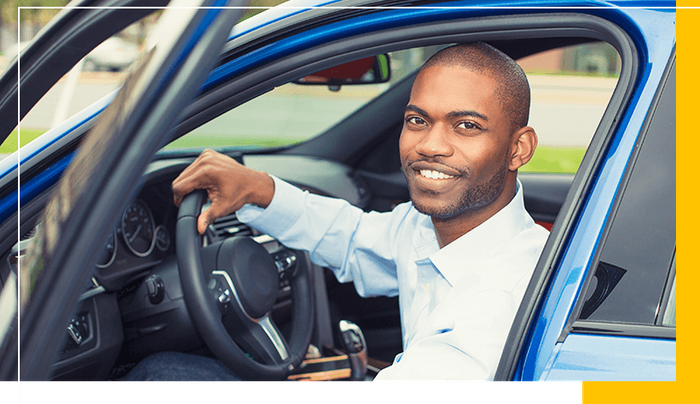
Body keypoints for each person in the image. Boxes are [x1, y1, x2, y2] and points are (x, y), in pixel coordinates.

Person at [127, 42, 549, 382]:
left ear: (518, 148)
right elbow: (352, 238)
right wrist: (260, 190)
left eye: (467, 126)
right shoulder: (435, 227)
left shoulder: (502, 302)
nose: (431, 146)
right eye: (418, 120)